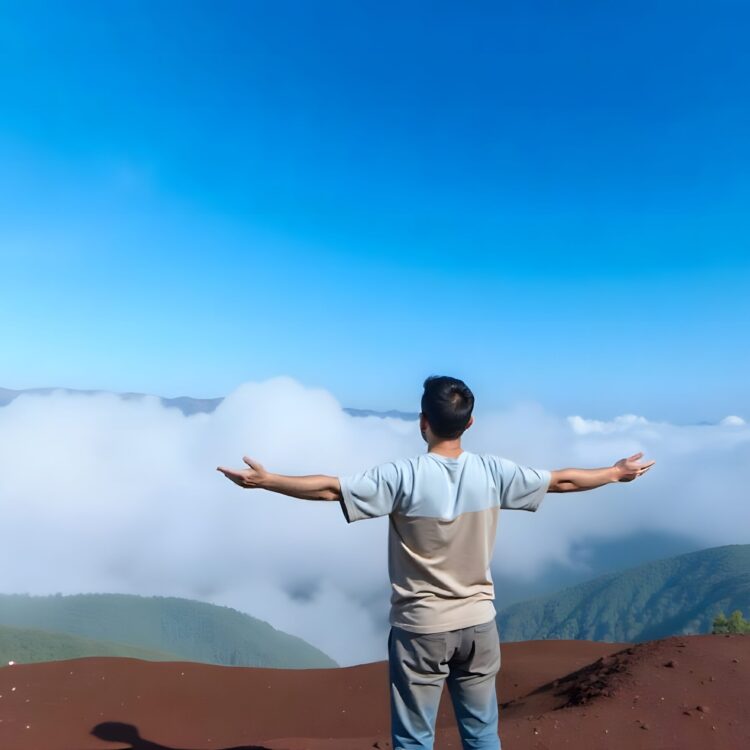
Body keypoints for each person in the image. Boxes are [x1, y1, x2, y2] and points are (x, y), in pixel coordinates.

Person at [217, 375, 655, 750]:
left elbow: (331, 489)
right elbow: (562, 480)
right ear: (470, 423)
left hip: (421, 630)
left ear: (423, 423)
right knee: (482, 735)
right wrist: (615, 473)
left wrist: (268, 481)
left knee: (413, 740)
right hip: (479, 626)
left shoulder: (400, 477)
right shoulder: (493, 472)